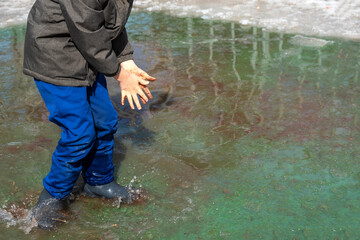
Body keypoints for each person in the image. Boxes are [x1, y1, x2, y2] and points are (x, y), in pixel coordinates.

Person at [23, 0, 155, 228]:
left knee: (105, 121)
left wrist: (126, 60)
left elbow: (111, 24)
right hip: (56, 59)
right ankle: (51, 198)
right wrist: (120, 75)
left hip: (86, 57)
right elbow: (89, 32)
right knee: (79, 134)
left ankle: (98, 182)